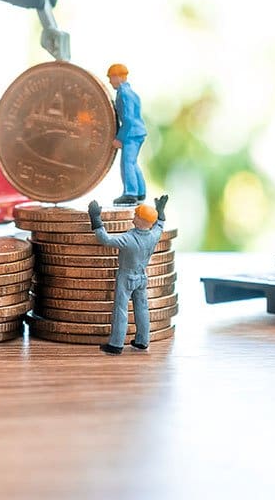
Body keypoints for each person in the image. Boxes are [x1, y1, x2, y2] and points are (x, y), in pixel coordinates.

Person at [89, 195, 168, 355]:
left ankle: (116, 344)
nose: (134, 217)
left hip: (126, 277)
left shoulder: (129, 239)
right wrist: (160, 212)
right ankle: (142, 340)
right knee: (142, 309)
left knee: (120, 309)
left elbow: (105, 239)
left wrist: (96, 218)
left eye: (136, 215)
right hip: (142, 277)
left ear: (141, 220)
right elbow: (160, 225)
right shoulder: (153, 236)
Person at [107, 64, 146, 205]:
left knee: (127, 163)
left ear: (118, 77)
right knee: (133, 163)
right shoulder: (131, 92)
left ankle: (130, 193)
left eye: (111, 78)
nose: (110, 81)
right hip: (138, 131)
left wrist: (119, 138)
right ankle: (140, 192)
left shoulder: (124, 94)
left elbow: (128, 119)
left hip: (131, 134)